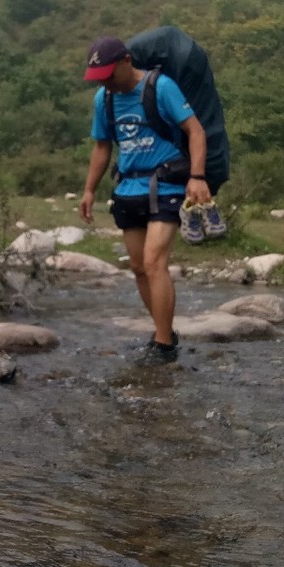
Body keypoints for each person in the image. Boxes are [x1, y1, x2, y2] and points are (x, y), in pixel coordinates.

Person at [78, 35, 211, 366]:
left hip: (165, 185)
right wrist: (89, 189)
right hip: (127, 190)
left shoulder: (160, 86)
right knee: (139, 268)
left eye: (109, 75)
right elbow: (102, 147)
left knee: (154, 263)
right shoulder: (103, 99)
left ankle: (163, 344)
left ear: (126, 61)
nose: (105, 83)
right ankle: (164, 330)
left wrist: (196, 176)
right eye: (99, 79)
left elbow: (195, 131)